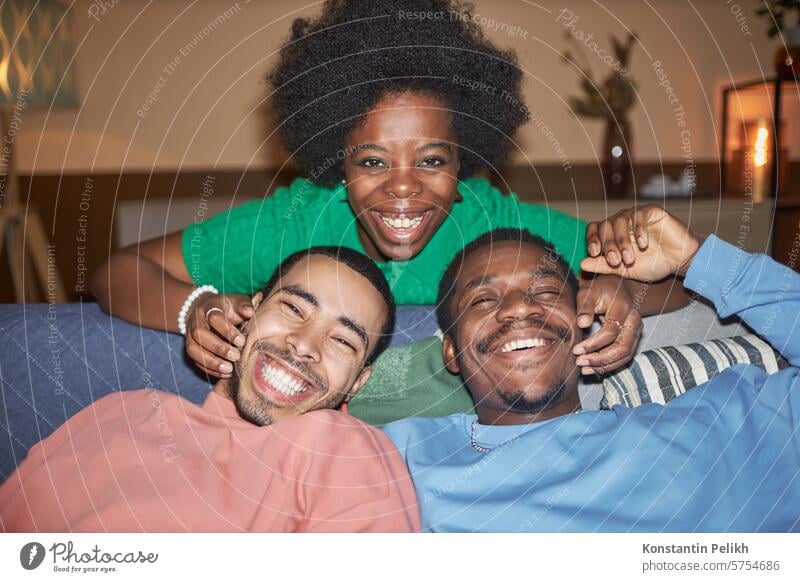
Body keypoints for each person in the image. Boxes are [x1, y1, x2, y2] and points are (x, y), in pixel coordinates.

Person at [91, 0, 688, 392]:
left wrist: (621, 288)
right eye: (372, 161)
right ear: (339, 165)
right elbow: (116, 270)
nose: (403, 188)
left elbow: (682, 283)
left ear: (465, 163)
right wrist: (193, 308)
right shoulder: (300, 221)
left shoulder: (494, 223)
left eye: (432, 160)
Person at [383, 206, 800, 532]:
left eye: (545, 291)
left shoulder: (715, 429)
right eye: (482, 301)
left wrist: (696, 259)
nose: (520, 307)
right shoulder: (398, 458)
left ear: (582, 319)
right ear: (451, 353)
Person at [1, 247, 419, 532]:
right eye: (293, 308)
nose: (305, 345)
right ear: (248, 314)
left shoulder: (346, 450)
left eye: (343, 341)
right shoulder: (122, 413)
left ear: (358, 382)